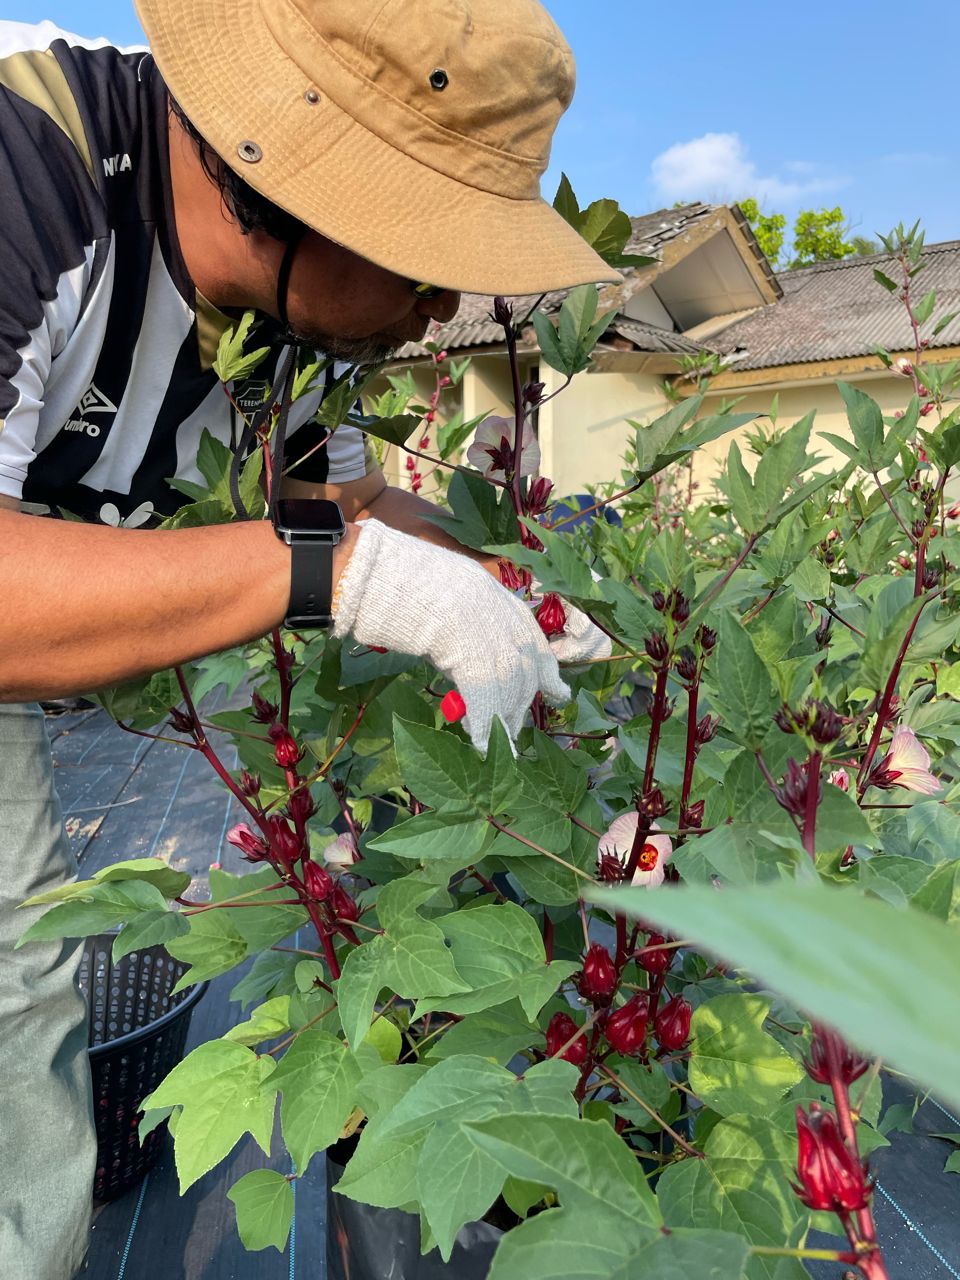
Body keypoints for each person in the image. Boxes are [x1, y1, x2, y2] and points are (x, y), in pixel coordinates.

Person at [0, 2, 613, 1275]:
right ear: (296, 183)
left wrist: (502, 580)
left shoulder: (301, 323)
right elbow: (324, 550)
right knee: (17, 1028)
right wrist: (342, 574)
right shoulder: (31, 174)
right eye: (422, 253)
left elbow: (342, 494)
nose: (440, 304)